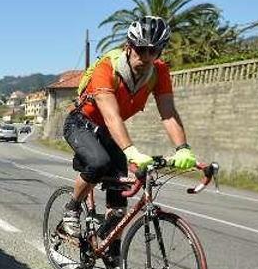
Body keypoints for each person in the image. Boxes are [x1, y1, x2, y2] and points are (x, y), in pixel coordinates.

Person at [62, 16, 196, 237]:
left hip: (108, 131)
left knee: (118, 210)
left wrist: (183, 148)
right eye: (141, 49)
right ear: (128, 47)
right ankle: (72, 207)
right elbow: (112, 115)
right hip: (81, 123)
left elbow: (169, 113)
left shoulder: (159, 72)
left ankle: (114, 262)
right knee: (99, 162)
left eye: (154, 51)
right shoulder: (107, 67)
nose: (146, 57)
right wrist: (131, 151)